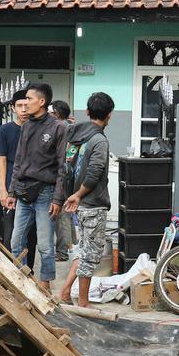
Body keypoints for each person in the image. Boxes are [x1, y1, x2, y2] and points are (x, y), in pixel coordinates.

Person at [8, 82, 66, 294]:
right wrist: (12, 192)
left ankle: (45, 284)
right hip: (23, 193)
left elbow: (64, 165)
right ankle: (19, 280)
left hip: (46, 193)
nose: (25, 105)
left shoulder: (58, 127)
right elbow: (19, 160)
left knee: (45, 245)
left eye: (30, 100)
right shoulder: (27, 126)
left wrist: (58, 199)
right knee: (16, 241)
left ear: (42, 102)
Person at [57, 92, 114, 307]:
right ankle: (83, 303)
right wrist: (79, 195)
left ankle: (64, 292)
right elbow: (94, 172)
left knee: (83, 250)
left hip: (79, 205)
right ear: (110, 115)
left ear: (88, 112)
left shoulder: (76, 136)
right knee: (90, 256)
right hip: (91, 204)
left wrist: (73, 196)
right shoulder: (99, 140)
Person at [0, 90, 35, 269]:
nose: (24, 109)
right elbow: (1, 160)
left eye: (27, 105)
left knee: (32, 235)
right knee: (10, 232)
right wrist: (3, 189)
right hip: (12, 189)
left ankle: (30, 272)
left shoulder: (38, 129)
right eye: (19, 106)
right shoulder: (5, 130)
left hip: (34, 189)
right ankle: (11, 272)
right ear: (13, 108)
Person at [50, 98, 76, 261]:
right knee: (66, 214)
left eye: (51, 113)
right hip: (68, 177)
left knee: (61, 216)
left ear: (57, 114)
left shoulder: (62, 129)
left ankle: (63, 251)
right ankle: (72, 245)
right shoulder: (70, 128)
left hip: (62, 177)